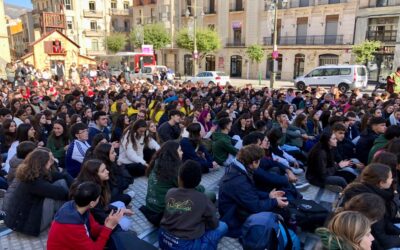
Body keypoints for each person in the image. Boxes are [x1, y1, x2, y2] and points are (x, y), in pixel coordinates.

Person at [218, 144, 289, 238]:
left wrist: (269, 196)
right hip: (233, 218)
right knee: (280, 212)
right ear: (254, 162)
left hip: (235, 208)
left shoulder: (236, 167)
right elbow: (256, 207)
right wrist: (274, 201)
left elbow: (249, 192)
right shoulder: (239, 180)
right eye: (259, 161)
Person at [159, 160, 228, 250]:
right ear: (198, 181)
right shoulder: (203, 199)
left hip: (163, 238)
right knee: (223, 226)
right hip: (184, 246)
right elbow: (214, 224)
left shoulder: (170, 192)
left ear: (179, 178)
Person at [4, 148, 71, 236]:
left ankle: (64, 218)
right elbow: (63, 194)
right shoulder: (35, 182)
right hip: (25, 226)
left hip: (20, 218)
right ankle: (65, 221)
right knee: (55, 193)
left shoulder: (30, 172)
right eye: (49, 160)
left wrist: (72, 182)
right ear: (43, 163)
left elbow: (60, 175)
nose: (51, 162)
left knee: (60, 182)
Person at [47, 181, 124, 250]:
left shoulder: (78, 207)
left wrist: (107, 225)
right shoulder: (72, 225)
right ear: (92, 203)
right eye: (98, 198)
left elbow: (93, 229)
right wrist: (108, 228)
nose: (99, 199)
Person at [340, 163, 400, 249]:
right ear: (381, 182)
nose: (392, 180)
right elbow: (378, 239)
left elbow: (384, 222)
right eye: (390, 177)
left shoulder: (362, 188)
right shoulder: (370, 203)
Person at [70, 159, 134, 231]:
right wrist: (116, 218)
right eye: (103, 171)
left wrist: (119, 211)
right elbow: (98, 215)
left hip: (99, 215)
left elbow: (102, 206)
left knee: (120, 204)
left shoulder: (97, 184)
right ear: (94, 175)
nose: (107, 171)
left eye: (106, 169)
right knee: (126, 223)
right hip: (95, 223)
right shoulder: (89, 192)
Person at [140, 141, 184, 226]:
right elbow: (189, 189)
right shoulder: (173, 170)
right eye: (180, 150)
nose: (182, 152)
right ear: (173, 154)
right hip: (163, 214)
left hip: (150, 209)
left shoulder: (156, 163)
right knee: (203, 198)